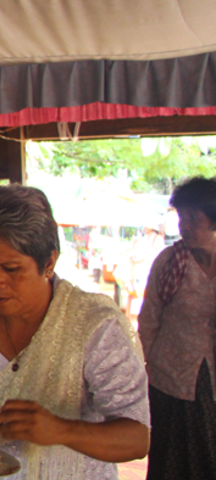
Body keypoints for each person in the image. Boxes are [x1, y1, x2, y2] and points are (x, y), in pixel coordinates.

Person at [0, 185, 150, 480]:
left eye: (12, 268)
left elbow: (136, 439)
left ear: (49, 262)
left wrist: (61, 430)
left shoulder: (94, 324)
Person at [139, 176, 216, 480]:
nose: (184, 225)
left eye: (193, 218)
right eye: (182, 217)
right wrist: (139, 370)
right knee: (167, 457)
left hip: (210, 380)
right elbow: (149, 319)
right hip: (169, 377)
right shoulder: (170, 262)